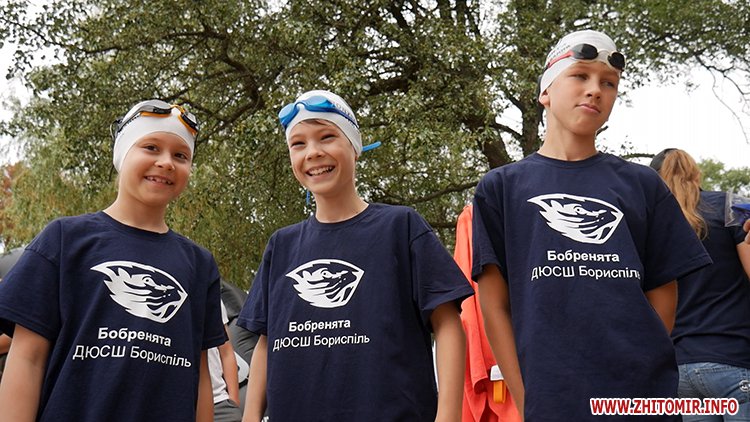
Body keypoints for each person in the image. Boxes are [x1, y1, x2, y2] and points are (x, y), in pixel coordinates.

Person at [471, 30, 712, 421]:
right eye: (580, 75)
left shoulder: (642, 184)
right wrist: (526, 398)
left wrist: (641, 368)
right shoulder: (501, 188)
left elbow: (663, 294)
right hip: (551, 401)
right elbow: (494, 306)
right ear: (546, 91)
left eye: (609, 83)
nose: (595, 90)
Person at [237, 89, 474, 421]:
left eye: (327, 137)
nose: (313, 152)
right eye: (298, 144)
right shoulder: (282, 245)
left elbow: (448, 323)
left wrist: (448, 417)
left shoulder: (401, 227)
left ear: (354, 145)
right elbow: (266, 342)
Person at [0, 99, 226, 422]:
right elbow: (27, 358)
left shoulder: (199, 264)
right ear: (122, 153)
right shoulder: (64, 241)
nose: (166, 162)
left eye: (181, 155)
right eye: (151, 147)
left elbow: (200, 375)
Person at [650, 148, 750, 421]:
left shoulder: (651, 227)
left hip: (680, 369)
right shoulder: (730, 207)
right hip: (733, 359)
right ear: (696, 174)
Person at [210, 300, 243, 422]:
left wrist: (233, 401)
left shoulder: (209, 292)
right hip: (173, 404)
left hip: (218, 402)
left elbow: (227, 351)